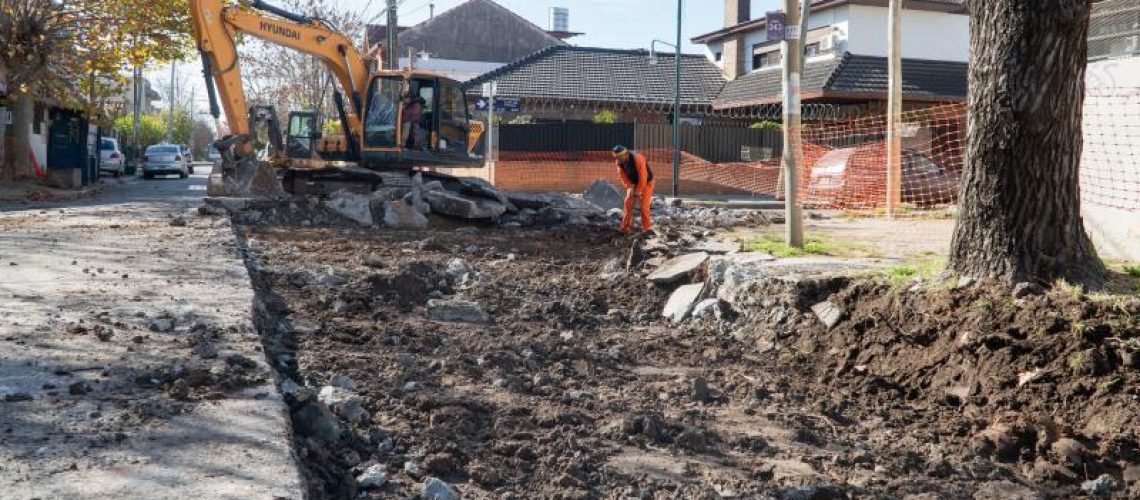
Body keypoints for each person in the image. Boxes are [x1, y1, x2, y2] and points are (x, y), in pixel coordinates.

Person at [612, 145, 655, 234]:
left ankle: (647, 230)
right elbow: (623, 177)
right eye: (617, 157)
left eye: (620, 157)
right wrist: (630, 187)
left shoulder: (637, 158)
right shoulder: (619, 163)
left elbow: (643, 176)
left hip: (647, 183)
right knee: (628, 203)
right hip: (633, 183)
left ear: (626, 154)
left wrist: (638, 191)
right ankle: (625, 227)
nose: (619, 159)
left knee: (643, 207)